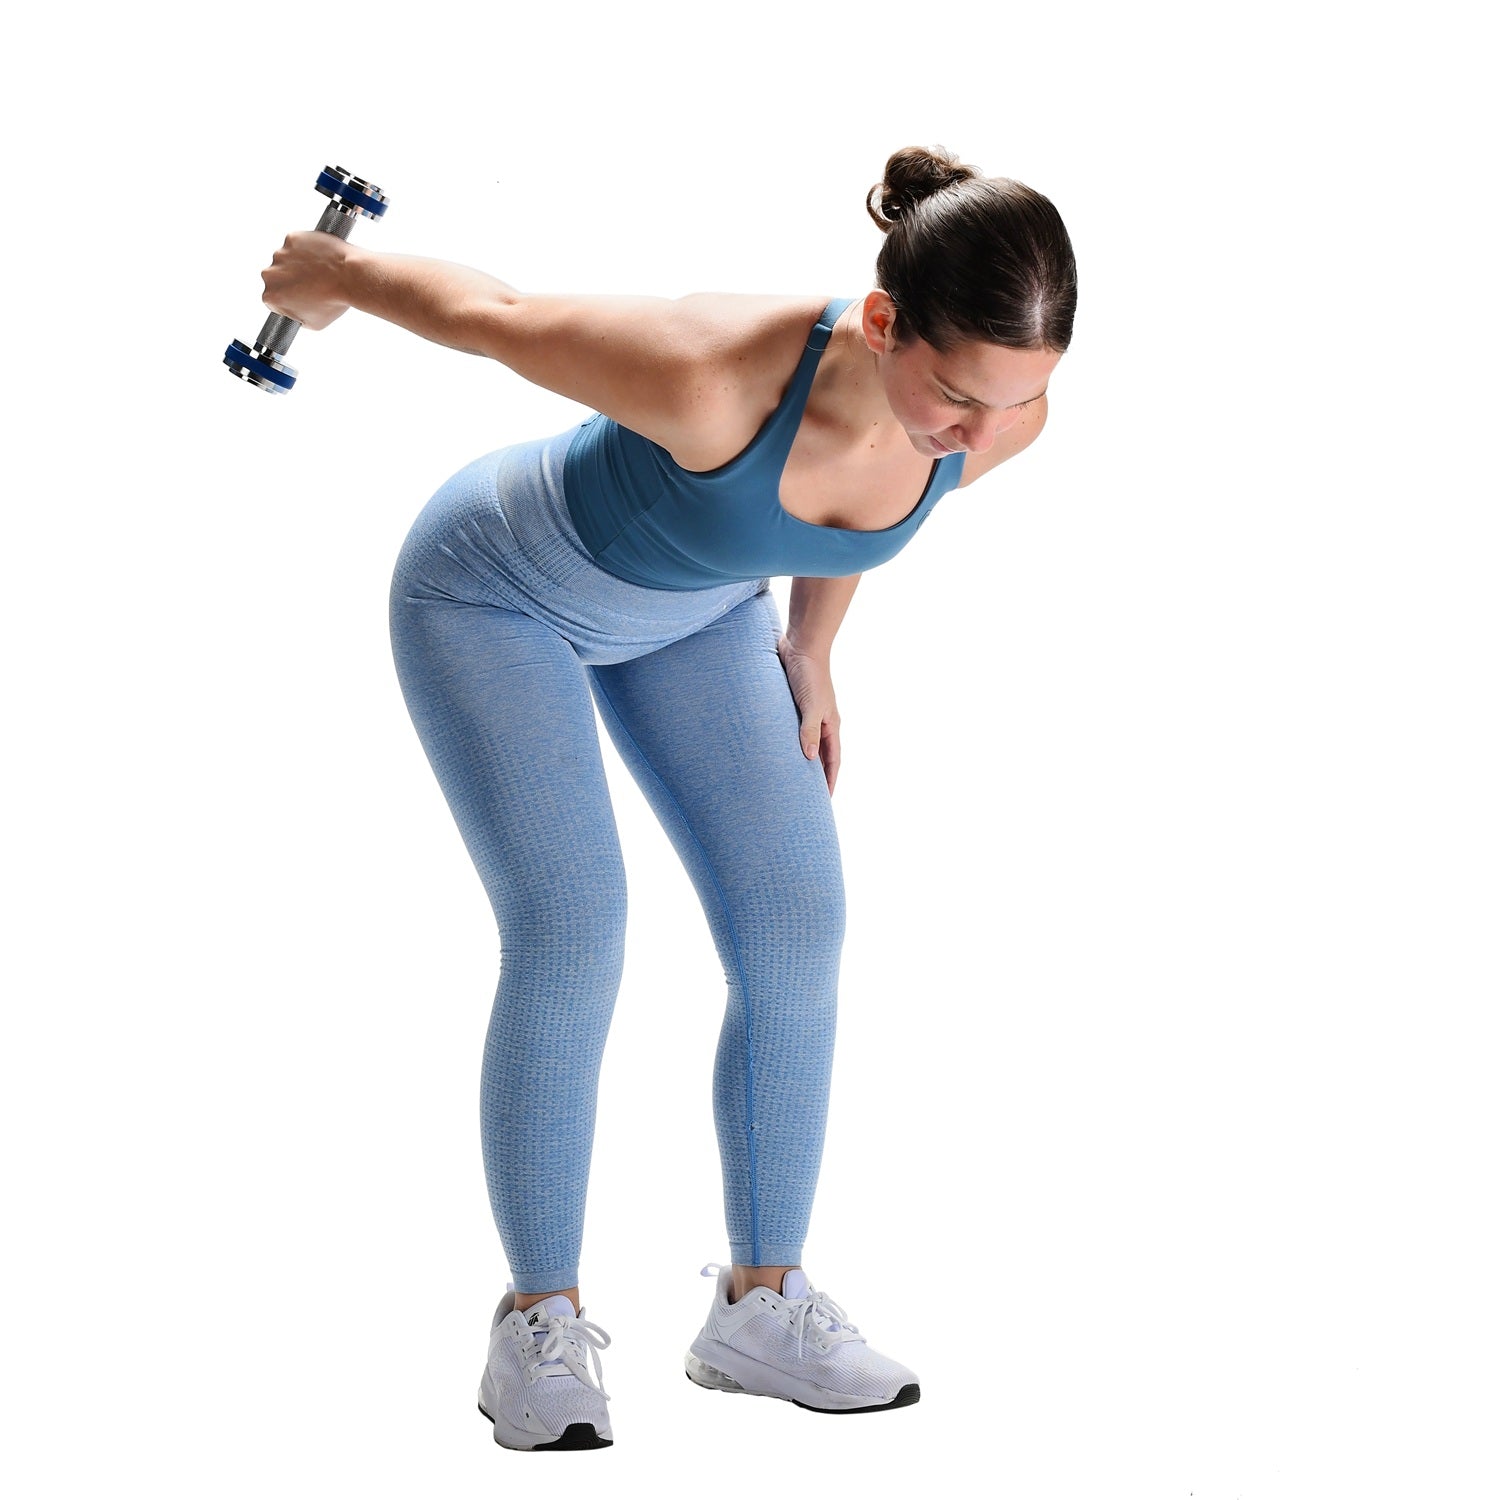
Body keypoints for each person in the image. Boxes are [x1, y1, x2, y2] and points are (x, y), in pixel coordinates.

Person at [260, 145, 1076, 1452]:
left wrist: (812, 647)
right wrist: (337, 275)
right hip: (494, 592)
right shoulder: (707, 376)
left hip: (692, 612)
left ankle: (760, 1309)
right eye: (959, 394)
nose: (982, 434)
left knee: (797, 921)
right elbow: (497, 318)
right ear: (881, 325)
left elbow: (857, 507)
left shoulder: (999, 418)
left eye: (1018, 398)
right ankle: (537, 1326)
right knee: (577, 927)